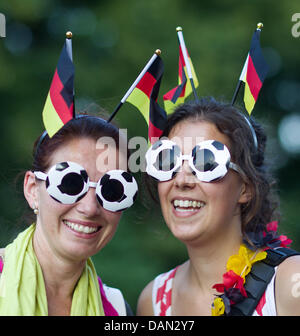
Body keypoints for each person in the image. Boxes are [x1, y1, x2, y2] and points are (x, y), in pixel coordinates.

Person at [137, 97, 300, 316]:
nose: (182, 180)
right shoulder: (154, 301)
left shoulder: (288, 283)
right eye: (168, 160)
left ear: (246, 188)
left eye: (206, 161)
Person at [0, 114, 138, 316]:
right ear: (32, 190)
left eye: (111, 190)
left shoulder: (117, 309)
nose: (89, 208)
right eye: (70, 183)